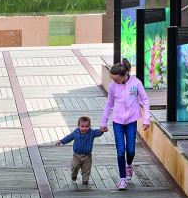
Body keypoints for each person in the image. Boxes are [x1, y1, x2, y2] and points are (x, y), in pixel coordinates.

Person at [101, 58, 150, 190]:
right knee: (120, 151)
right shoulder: (113, 86)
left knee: (131, 150)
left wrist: (146, 119)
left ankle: (129, 164)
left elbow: (145, 100)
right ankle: (122, 179)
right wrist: (103, 121)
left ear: (124, 75)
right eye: (112, 79)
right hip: (117, 121)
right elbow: (109, 103)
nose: (114, 82)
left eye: (117, 79)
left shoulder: (136, 83)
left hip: (131, 121)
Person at [47, 115, 107, 188]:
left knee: (87, 168)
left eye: (87, 126)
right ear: (78, 126)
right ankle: (74, 175)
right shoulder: (76, 133)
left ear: (90, 126)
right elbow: (69, 137)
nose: (84, 128)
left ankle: (85, 179)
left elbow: (98, 132)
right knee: (74, 166)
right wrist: (61, 141)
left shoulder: (91, 133)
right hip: (77, 155)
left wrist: (102, 130)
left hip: (87, 156)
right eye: (82, 126)